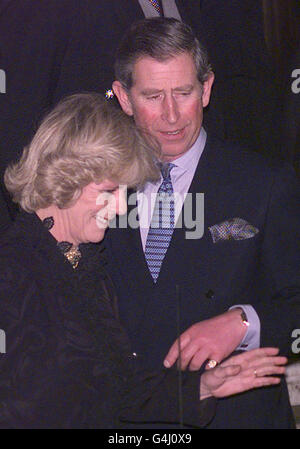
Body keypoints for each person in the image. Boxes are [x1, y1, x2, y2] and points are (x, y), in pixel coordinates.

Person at [0, 92, 286, 429]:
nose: (122, 209)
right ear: (65, 177)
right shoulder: (12, 273)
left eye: (125, 192)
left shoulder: (86, 268)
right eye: (109, 191)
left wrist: (203, 388)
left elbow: (122, 392)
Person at [105, 18, 300, 429]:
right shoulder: (96, 185)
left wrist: (244, 322)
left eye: (184, 92)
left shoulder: (264, 184)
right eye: (153, 96)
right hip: (132, 420)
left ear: (207, 88)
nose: (172, 114)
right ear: (123, 97)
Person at [0, 0, 281, 232]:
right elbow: (18, 121)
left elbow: (243, 97)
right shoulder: (40, 8)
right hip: (96, 220)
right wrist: (43, 232)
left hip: (202, 206)